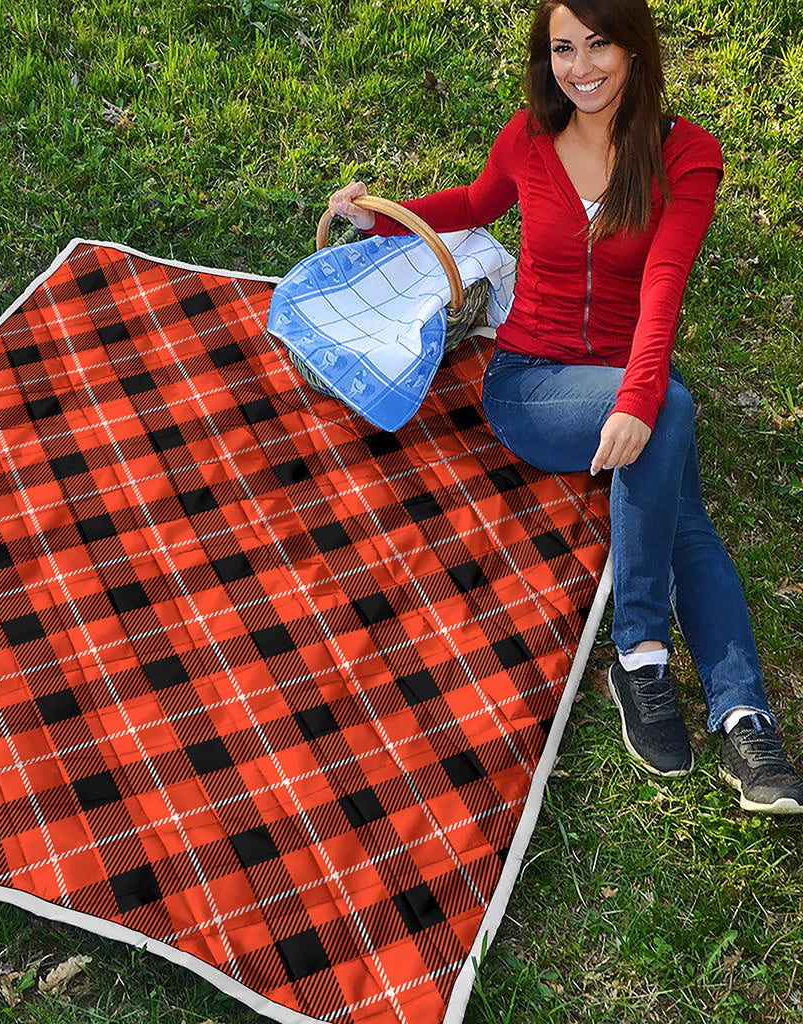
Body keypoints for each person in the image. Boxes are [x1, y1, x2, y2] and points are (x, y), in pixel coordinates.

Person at [328, 0, 803, 814]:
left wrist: (639, 396)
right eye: (562, 48)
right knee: (673, 419)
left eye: (598, 44)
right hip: (530, 384)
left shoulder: (686, 156)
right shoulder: (529, 137)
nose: (580, 67)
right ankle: (646, 655)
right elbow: (475, 205)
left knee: (677, 477)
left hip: (623, 377)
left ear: (634, 49)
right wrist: (382, 220)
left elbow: (664, 284)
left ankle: (739, 714)